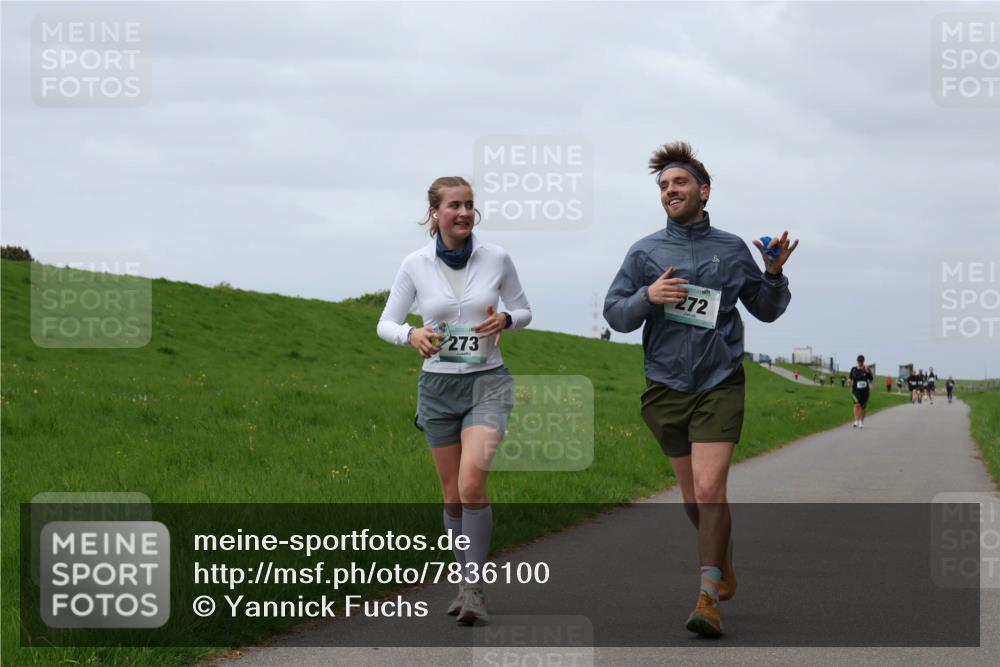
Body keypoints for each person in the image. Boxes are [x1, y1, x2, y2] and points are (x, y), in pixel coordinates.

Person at [604, 141, 796, 637]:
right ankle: (723, 559)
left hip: (720, 381)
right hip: (666, 387)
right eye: (663, 186)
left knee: (711, 490)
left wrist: (773, 274)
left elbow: (766, 309)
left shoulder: (730, 249)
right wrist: (648, 296)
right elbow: (615, 314)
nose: (670, 190)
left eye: (679, 182)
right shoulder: (645, 252)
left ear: (703, 190)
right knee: (693, 500)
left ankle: (708, 597)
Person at [377, 176, 532, 625]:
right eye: (454, 206)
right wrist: (412, 334)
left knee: (471, 486)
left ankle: (473, 588)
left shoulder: (496, 258)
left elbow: (524, 310)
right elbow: (385, 322)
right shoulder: (415, 264)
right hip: (438, 388)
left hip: (488, 382)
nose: (464, 213)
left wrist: (505, 317)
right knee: (451, 496)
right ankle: (465, 584)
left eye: (469, 206)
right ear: (434, 213)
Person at [849, 355, 874, 428]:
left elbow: (871, 378)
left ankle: (861, 422)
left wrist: (867, 372)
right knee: (857, 404)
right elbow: (850, 377)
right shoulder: (853, 369)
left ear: (863, 361)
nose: (860, 362)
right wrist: (849, 381)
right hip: (855, 390)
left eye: (861, 361)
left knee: (863, 406)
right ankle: (856, 421)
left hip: (865, 390)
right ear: (857, 361)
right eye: (859, 361)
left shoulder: (867, 369)